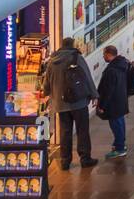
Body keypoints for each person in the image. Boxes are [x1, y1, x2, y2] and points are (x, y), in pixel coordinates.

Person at [40, 37, 98, 170]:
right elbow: (87, 77)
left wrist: (46, 94)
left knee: (65, 132)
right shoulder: (77, 58)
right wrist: (94, 95)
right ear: (72, 45)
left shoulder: (52, 61)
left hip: (60, 104)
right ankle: (85, 158)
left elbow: (47, 84)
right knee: (82, 130)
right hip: (78, 102)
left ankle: (65, 161)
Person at [96, 45, 133, 159]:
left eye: (104, 55)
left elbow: (108, 91)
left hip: (113, 103)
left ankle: (120, 149)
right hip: (121, 99)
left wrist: (101, 105)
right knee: (120, 123)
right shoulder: (122, 64)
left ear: (108, 54)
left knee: (116, 125)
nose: (103, 57)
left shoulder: (111, 70)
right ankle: (119, 143)